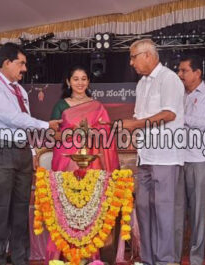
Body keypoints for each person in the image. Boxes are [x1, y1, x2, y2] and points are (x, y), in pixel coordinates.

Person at [0, 42, 60, 265]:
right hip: (1, 150)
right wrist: (46, 125)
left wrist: (33, 150)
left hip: (22, 152)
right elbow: (11, 118)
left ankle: (20, 258)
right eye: (21, 63)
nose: (24, 68)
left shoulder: (20, 90)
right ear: (7, 63)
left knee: (21, 209)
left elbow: (22, 126)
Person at [46, 65, 121, 263]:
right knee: (68, 205)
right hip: (66, 162)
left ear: (88, 82)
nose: (80, 83)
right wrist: (75, 134)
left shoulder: (97, 106)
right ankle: (66, 253)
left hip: (93, 163)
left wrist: (92, 134)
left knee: (90, 206)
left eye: (84, 78)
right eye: (76, 79)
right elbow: (54, 134)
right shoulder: (61, 105)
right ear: (68, 82)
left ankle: (90, 254)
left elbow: (107, 134)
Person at [122, 38, 185, 265]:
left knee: (164, 211)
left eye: (133, 57)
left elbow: (169, 115)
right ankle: (148, 260)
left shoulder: (169, 79)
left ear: (148, 55)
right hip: (145, 155)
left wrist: (134, 125)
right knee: (143, 208)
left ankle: (166, 261)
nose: (131, 63)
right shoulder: (142, 83)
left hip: (166, 156)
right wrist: (131, 130)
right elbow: (140, 117)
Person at [176, 54, 205, 265]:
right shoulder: (178, 96)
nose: (180, 74)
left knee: (197, 214)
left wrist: (185, 119)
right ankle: (174, 257)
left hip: (200, 160)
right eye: (179, 70)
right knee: (177, 212)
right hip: (177, 160)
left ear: (197, 73)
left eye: (184, 70)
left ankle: (195, 259)